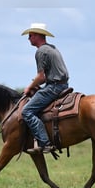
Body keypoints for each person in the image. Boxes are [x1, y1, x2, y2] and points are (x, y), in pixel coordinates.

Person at [21, 23, 69, 154]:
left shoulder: (41, 51)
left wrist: (29, 87)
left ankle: (45, 143)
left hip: (54, 87)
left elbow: (41, 76)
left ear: (37, 35)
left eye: (30, 35)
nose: (28, 38)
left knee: (26, 112)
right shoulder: (52, 48)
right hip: (63, 84)